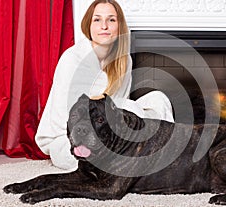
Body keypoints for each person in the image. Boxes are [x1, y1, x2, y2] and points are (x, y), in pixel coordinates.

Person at [35, 0, 174, 170]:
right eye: (97, 20)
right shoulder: (72, 60)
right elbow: (61, 120)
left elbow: (118, 113)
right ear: (89, 25)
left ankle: (159, 152)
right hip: (70, 138)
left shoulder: (124, 61)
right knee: (95, 158)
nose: (104, 26)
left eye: (111, 20)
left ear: (119, 26)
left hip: (106, 133)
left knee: (158, 99)